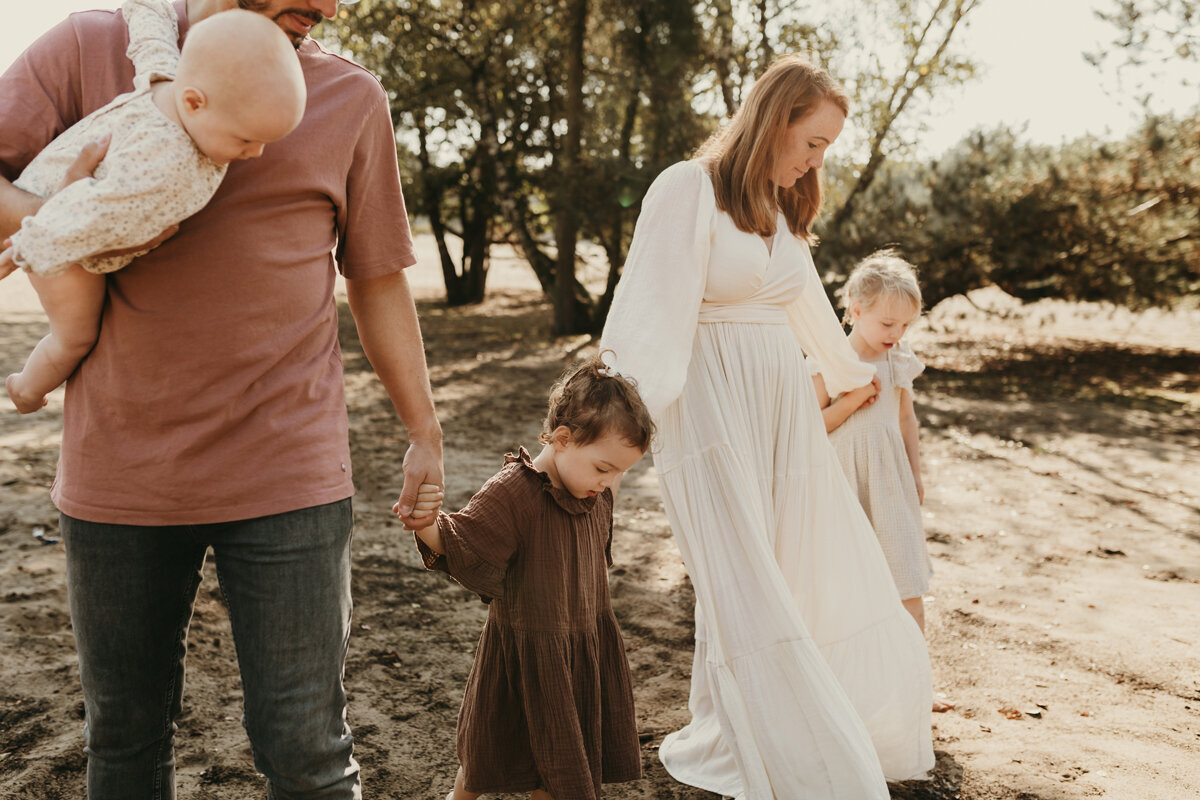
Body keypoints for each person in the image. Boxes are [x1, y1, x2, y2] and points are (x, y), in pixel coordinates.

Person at [0, 0, 442, 798]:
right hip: (119, 479)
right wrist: (57, 218)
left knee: (307, 754)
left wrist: (426, 431)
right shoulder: (90, 48)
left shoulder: (348, 98)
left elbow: (377, 279)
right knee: (124, 742)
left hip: (288, 482)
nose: (327, 6)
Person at [600, 55, 935, 798]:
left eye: (826, 149)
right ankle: (772, 735)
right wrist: (616, 427)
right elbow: (646, 311)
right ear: (773, 120)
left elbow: (809, 307)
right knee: (741, 569)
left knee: (794, 564)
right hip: (712, 402)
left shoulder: (779, 210)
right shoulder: (689, 188)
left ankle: (754, 720)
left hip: (780, 406)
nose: (817, 160)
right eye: (812, 142)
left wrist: (852, 381)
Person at [2, 0, 306, 414]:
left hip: (65, 204)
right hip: (67, 234)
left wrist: (150, 6)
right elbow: (94, 209)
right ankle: (26, 389)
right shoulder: (164, 161)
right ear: (196, 102)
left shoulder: (166, 81)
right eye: (245, 140)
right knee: (74, 335)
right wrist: (30, 245)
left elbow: (150, 38)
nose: (255, 153)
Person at [402, 355, 652, 800]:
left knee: (560, 767)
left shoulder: (594, 496)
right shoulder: (516, 490)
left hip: (576, 651)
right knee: (482, 761)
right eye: (603, 468)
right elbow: (461, 539)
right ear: (562, 439)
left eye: (620, 472)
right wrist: (424, 521)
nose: (610, 482)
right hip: (525, 654)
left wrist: (603, 477)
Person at [811, 249, 955, 714]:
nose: (896, 335)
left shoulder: (900, 359)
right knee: (847, 584)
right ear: (855, 310)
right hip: (843, 482)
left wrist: (915, 471)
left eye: (906, 326)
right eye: (887, 324)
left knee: (905, 580)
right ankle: (846, 686)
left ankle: (916, 686)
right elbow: (810, 426)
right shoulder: (829, 357)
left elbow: (907, 417)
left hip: (889, 480)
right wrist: (851, 400)